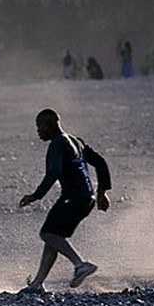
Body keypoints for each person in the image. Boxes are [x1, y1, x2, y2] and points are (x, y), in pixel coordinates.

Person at [18, 109, 111, 293]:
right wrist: (101, 192)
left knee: (48, 234)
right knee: (53, 236)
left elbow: (53, 172)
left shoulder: (57, 144)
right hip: (87, 198)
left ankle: (80, 265)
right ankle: (37, 284)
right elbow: (100, 162)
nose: (38, 131)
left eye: (40, 126)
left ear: (50, 124)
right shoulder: (76, 140)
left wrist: (35, 196)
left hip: (74, 198)